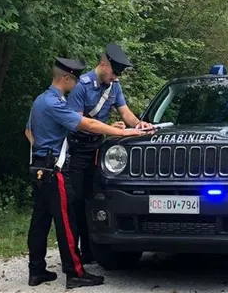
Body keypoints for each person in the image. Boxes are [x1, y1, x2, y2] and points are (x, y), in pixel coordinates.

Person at [24, 56, 151, 289]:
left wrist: (42, 150)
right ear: (65, 78)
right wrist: (124, 134)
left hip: (38, 167)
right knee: (66, 222)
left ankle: (36, 270)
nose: (75, 84)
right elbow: (87, 125)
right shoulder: (56, 105)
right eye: (73, 79)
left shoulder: (40, 101)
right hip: (55, 170)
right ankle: (75, 273)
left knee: (40, 220)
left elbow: (28, 133)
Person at [66, 43, 154, 264]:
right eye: (115, 72)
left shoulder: (113, 86)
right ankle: (73, 254)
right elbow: (78, 123)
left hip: (97, 147)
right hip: (78, 148)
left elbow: (126, 114)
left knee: (91, 199)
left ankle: (89, 251)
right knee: (75, 201)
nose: (117, 77)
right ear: (103, 64)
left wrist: (140, 125)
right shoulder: (82, 86)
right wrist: (113, 130)